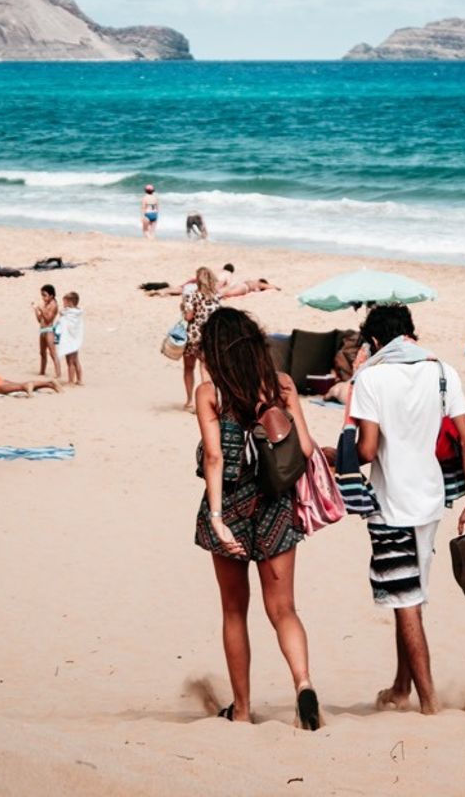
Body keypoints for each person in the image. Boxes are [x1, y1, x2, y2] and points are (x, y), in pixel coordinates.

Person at [348, 304, 465, 716]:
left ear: (374, 341)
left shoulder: (371, 378)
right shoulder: (443, 371)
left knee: (405, 601)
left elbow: (368, 449)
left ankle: (428, 702)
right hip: (430, 501)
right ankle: (400, 687)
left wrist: (339, 455)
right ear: (410, 332)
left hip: (391, 506)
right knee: (411, 597)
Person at [194, 307, 321, 729]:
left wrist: (216, 518)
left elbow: (214, 456)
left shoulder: (211, 393)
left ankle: (244, 711)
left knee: (234, 612)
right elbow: (304, 450)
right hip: (275, 507)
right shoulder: (281, 385)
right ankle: (303, 685)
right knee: (284, 610)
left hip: (230, 505)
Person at [181, 266, 220, 411]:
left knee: (188, 368)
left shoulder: (192, 295)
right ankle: (208, 401)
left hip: (193, 336)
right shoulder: (216, 297)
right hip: (209, 338)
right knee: (206, 370)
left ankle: (190, 401)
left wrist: (184, 309)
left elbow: (188, 316)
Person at [32, 285, 61, 378]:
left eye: (45, 295)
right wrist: (36, 310)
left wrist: (41, 309)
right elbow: (40, 320)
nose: (43, 298)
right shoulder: (45, 304)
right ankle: (42, 371)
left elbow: (49, 319)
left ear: (51, 296)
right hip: (42, 330)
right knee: (42, 352)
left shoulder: (54, 305)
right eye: (42, 295)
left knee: (53, 353)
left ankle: (58, 373)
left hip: (49, 330)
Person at [56, 291, 84, 386]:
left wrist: (62, 314)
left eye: (64, 302)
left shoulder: (68, 313)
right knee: (76, 360)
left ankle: (71, 381)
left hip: (69, 339)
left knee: (70, 361)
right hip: (75, 340)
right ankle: (79, 380)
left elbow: (62, 318)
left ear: (70, 302)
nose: (63, 304)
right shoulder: (77, 312)